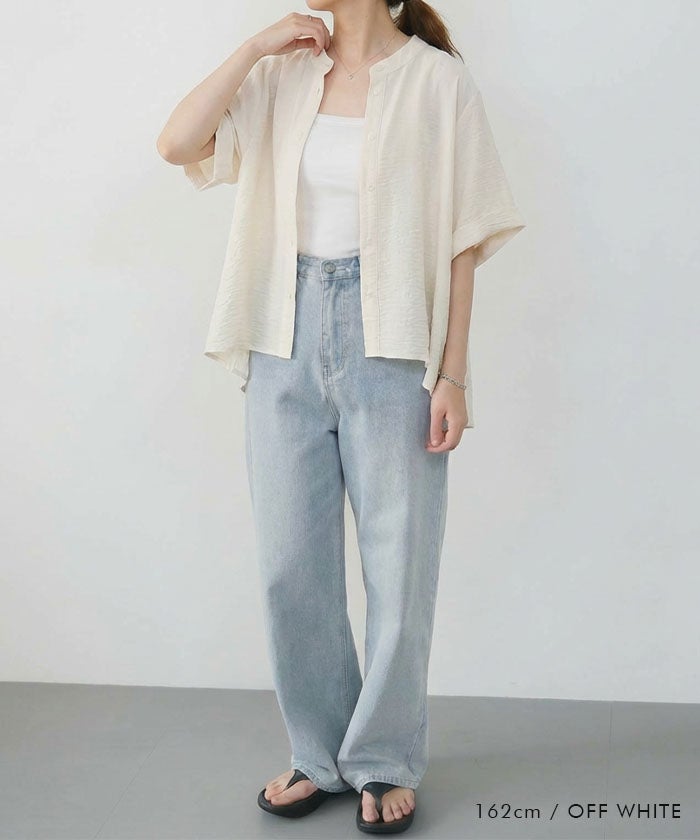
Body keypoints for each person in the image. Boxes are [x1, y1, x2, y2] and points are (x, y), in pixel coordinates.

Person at [157, 0, 525, 833]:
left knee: (400, 565)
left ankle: (383, 758)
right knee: (291, 563)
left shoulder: (438, 82)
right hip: (280, 331)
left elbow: (465, 239)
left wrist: (453, 373)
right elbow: (177, 144)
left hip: (392, 340)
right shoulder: (283, 73)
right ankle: (318, 753)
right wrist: (254, 46)